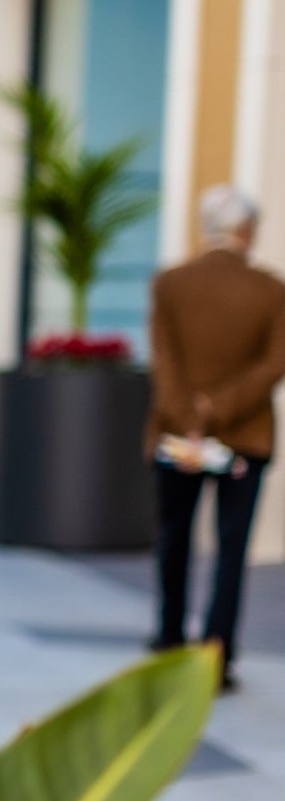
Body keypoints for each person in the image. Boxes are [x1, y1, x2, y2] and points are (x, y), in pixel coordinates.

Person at [147, 185, 285, 694]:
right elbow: (275, 363)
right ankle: (216, 656)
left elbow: (163, 361)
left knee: (174, 537)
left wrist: (189, 416)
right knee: (231, 547)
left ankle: (167, 639)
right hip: (245, 438)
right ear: (247, 230)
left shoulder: (169, 284)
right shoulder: (270, 290)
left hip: (176, 437)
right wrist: (220, 409)